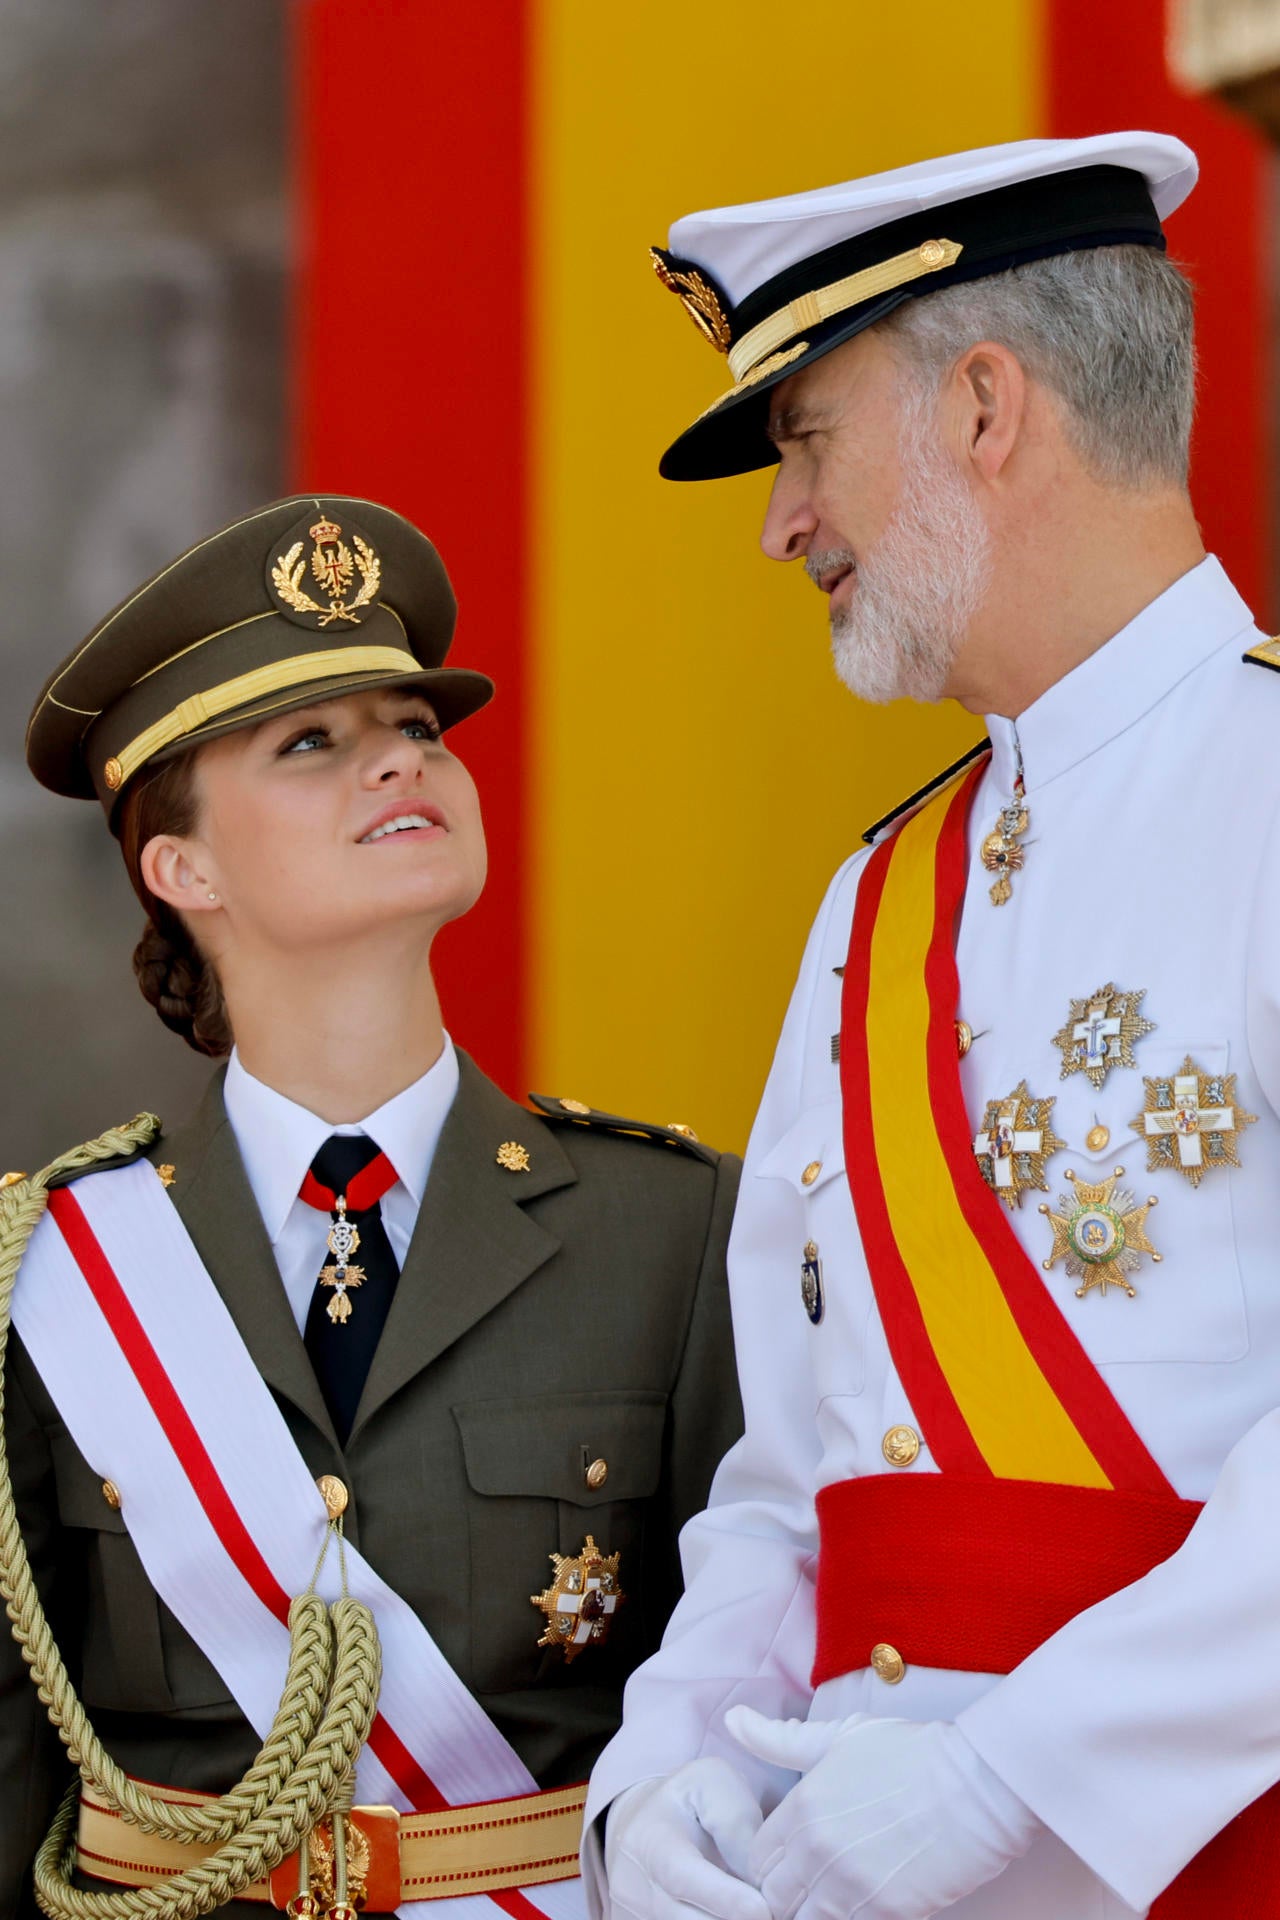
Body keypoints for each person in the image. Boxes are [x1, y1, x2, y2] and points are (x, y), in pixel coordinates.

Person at [584, 131, 1280, 1919]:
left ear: (984, 407)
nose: (779, 520)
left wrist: (1011, 1778)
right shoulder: (876, 904)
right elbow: (795, 1472)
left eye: (806, 436)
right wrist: (675, 1757)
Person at [0, 494, 742, 1920]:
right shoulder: (52, 1269)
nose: (400, 756)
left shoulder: (673, 1230)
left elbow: (750, 1671)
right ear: (182, 867)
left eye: (416, 725)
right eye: (311, 743)